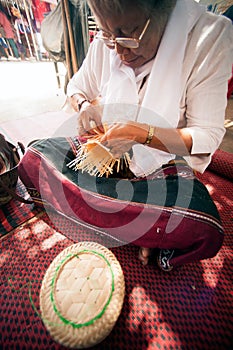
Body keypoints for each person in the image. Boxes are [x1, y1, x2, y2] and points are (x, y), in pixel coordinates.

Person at [65, 0, 233, 269]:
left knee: (202, 225)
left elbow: (206, 136)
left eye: (128, 35)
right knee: (39, 154)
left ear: (164, 11)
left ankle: (119, 213)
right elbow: (77, 87)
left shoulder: (207, 37)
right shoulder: (108, 37)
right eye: (108, 36)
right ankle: (144, 224)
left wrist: (140, 133)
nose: (119, 51)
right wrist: (84, 107)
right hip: (111, 161)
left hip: (166, 169)